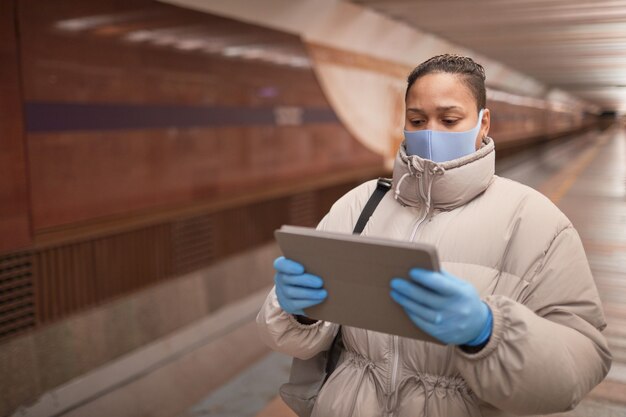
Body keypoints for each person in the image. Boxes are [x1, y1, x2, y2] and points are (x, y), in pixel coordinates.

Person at [256, 54, 611, 417]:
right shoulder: (360, 204)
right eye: (417, 119)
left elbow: (579, 364)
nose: (430, 132)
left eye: (450, 119)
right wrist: (298, 313)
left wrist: (489, 333)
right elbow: (292, 339)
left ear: (483, 122)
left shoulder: (537, 221)